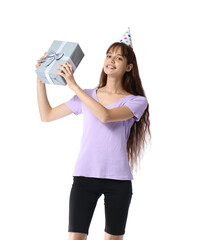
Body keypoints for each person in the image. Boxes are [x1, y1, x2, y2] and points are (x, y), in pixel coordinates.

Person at [35, 29, 151, 240]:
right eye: (108, 55)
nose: (111, 61)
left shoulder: (136, 101)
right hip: (84, 177)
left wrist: (74, 86)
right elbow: (47, 115)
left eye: (118, 57)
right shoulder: (86, 95)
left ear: (129, 67)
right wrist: (40, 79)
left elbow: (105, 116)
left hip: (118, 182)